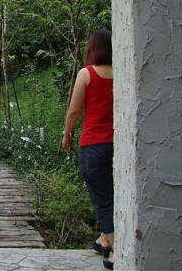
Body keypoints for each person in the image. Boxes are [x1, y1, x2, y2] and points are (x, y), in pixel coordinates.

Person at [62, 29, 114, 270]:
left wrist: (67, 134)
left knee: (101, 195)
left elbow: (74, 111)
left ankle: (115, 246)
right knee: (112, 192)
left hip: (93, 144)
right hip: (116, 144)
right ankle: (104, 238)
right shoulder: (121, 73)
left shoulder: (86, 74)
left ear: (93, 49)